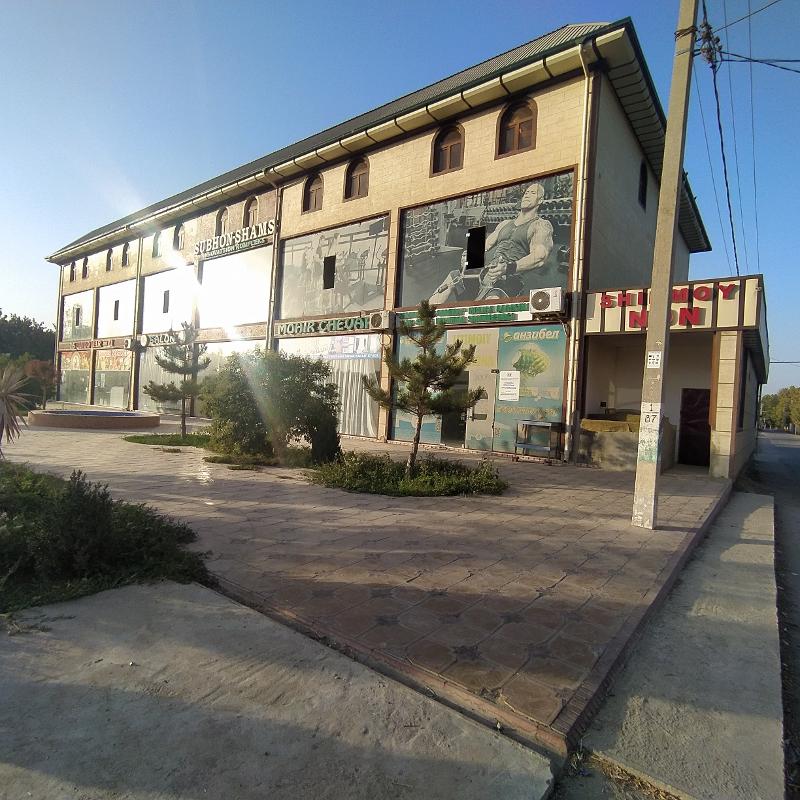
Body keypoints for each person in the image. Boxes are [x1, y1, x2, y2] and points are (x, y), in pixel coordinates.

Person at [428, 182, 554, 304]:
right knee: (453, 276)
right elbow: (485, 245)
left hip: (508, 279)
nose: (527, 195)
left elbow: (540, 257)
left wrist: (507, 268)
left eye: (532, 193)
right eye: (526, 192)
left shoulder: (541, 225)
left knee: (492, 299)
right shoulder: (505, 224)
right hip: (487, 274)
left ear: (540, 200)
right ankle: (425, 312)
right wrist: (469, 256)